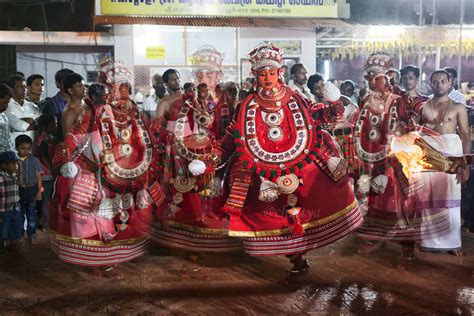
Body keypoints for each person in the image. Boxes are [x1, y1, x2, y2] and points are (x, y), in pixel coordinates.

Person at [195, 43, 363, 281]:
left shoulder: (296, 98)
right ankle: (296, 259)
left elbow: (323, 118)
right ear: (256, 75)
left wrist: (335, 103)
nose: (267, 78)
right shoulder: (247, 105)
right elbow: (231, 138)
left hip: (299, 166)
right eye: (262, 74)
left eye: (271, 73)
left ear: (279, 73)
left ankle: (300, 253)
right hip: (263, 175)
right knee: (271, 215)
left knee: (309, 208)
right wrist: (210, 161)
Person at [50, 59, 165, 277]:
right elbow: (70, 142)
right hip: (83, 167)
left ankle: (106, 259)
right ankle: (92, 260)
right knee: (86, 212)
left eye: (84, 85)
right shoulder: (69, 112)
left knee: (107, 211)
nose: (83, 88)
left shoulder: (95, 108)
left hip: (103, 163)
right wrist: (87, 162)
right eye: (78, 86)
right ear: (69, 90)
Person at [354, 53, 452, 265]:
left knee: (401, 203)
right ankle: (375, 239)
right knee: (373, 201)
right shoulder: (365, 100)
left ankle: (407, 245)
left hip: (396, 161)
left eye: (376, 76)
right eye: (368, 76)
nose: (371, 80)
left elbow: (417, 118)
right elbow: (361, 129)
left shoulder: (399, 99)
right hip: (371, 159)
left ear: (388, 76)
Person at [152, 82, 242, 260]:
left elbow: (215, 129)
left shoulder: (215, 105)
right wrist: (172, 145)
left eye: (205, 91)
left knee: (206, 193)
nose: (201, 94)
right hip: (180, 156)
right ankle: (187, 239)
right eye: (196, 91)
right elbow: (160, 128)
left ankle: (200, 228)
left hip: (207, 155)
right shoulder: (175, 104)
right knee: (186, 195)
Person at [419, 69, 470, 256]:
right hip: (429, 157)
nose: (439, 84)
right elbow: (418, 133)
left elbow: (465, 135)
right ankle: (428, 240)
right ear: (430, 84)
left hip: (452, 156)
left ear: (450, 83)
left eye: (443, 81)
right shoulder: (423, 107)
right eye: (435, 81)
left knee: (451, 198)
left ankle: (452, 243)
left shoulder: (458, 107)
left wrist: (465, 164)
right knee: (429, 197)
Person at [15, 135, 42, 244]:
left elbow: (39, 176)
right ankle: (20, 233)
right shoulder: (14, 160)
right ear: (16, 148)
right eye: (23, 148)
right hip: (18, 191)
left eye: (28, 148)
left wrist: (39, 191)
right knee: (19, 214)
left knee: (31, 213)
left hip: (32, 191)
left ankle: (32, 233)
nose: (26, 151)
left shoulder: (35, 160)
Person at [35, 113, 58, 229]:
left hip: (47, 174)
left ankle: (46, 220)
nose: (56, 127)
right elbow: (44, 157)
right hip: (45, 175)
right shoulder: (43, 140)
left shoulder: (49, 138)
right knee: (46, 198)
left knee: (48, 198)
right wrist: (52, 169)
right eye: (53, 125)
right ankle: (45, 222)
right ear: (45, 127)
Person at [5, 75, 42, 144]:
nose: (24, 89)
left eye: (25, 86)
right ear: (11, 89)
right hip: (15, 148)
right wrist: (31, 123)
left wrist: (24, 120)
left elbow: (42, 123)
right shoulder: (6, 106)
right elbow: (16, 124)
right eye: (20, 87)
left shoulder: (32, 106)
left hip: (34, 148)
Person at [41, 68, 75, 139]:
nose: (69, 84)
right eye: (65, 81)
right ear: (57, 84)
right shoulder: (51, 104)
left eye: (71, 81)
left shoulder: (81, 101)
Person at [0, 151, 22, 252]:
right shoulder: (1, 178)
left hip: (15, 207)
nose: (15, 166)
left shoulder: (14, 176)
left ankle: (13, 243)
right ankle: (3, 243)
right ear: (4, 165)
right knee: (3, 228)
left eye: (16, 163)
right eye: (12, 163)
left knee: (16, 226)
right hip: (4, 210)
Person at [0, 84, 15, 153]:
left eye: (8, 103)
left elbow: (9, 143)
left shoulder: (4, 118)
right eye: (5, 103)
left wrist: (14, 158)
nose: (6, 107)